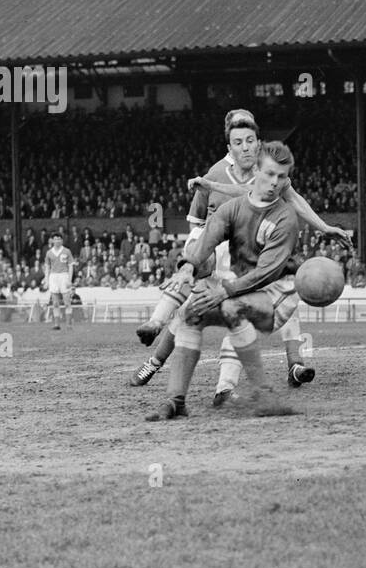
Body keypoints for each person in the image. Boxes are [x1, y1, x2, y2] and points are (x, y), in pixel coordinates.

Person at [131, 110, 347, 396]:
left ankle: (291, 364)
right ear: (229, 143)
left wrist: (323, 226)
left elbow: (292, 199)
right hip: (218, 250)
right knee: (189, 310)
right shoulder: (214, 173)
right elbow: (197, 223)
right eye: (239, 140)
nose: (246, 146)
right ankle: (155, 360)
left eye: (250, 140)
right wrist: (198, 253)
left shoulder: (268, 171)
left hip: (250, 252)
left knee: (287, 289)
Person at [146, 142, 302, 421]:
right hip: (240, 289)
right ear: (256, 170)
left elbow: (265, 273)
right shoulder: (232, 209)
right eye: (269, 174)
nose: (274, 183)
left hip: (278, 293)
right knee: (191, 313)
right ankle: (175, 401)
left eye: (281, 177)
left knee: (232, 308)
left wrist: (223, 291)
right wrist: (186, 268)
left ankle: (264, 393)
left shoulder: (286, 218)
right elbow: (204, 244)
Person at [44, 232, 76, 330]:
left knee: (67, 302)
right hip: (53, 277)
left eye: (59, 239)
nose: (57, 240)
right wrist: (46, 280)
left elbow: (71, 266)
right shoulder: (49, 253)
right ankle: (57, 325)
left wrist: (69, 280)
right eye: (55, 239)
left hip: (64, 276)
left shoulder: (67, 251)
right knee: (55, 303)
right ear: (52, 240)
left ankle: (69, 325)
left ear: (62, 240)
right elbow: (47, 267)